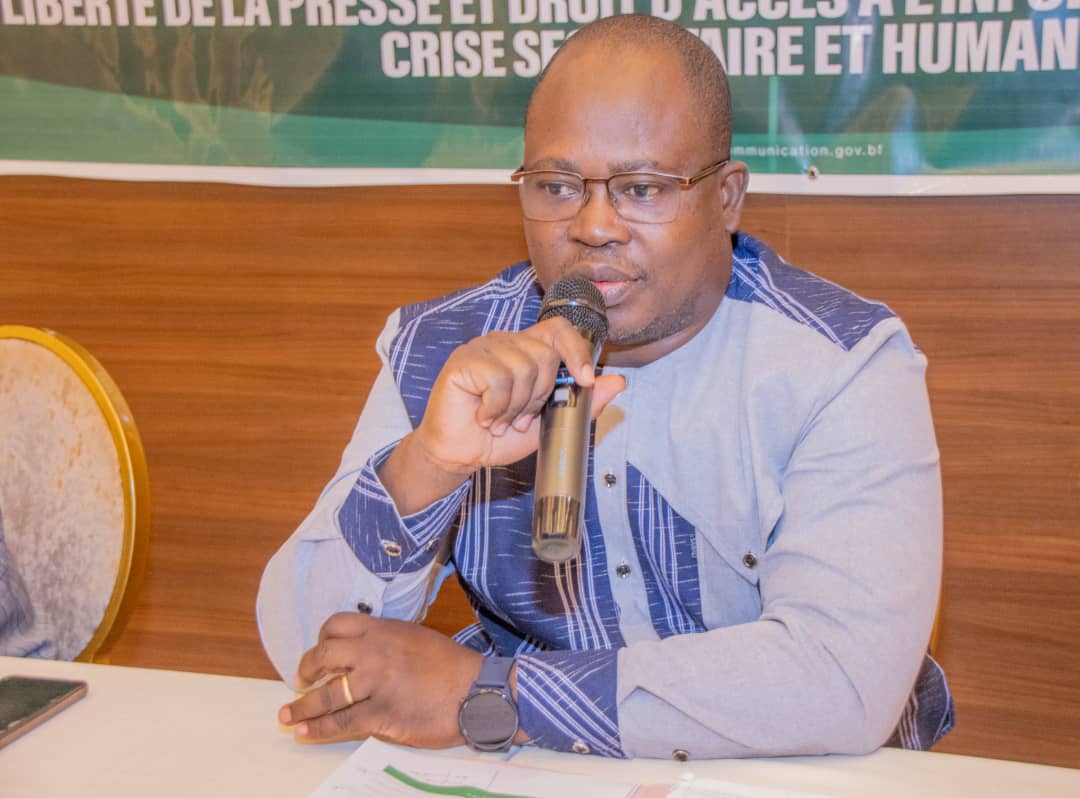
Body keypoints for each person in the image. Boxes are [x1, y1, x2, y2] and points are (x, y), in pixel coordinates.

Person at [257, 14, 953, 759]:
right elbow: (309, 650)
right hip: (539, 773)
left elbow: (840, 684)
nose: (593, 227)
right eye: (557, 186)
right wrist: (429, 464)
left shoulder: (840, 364)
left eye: (642, 188)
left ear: (727, 197)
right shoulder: (446, 350)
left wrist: (493, 694)